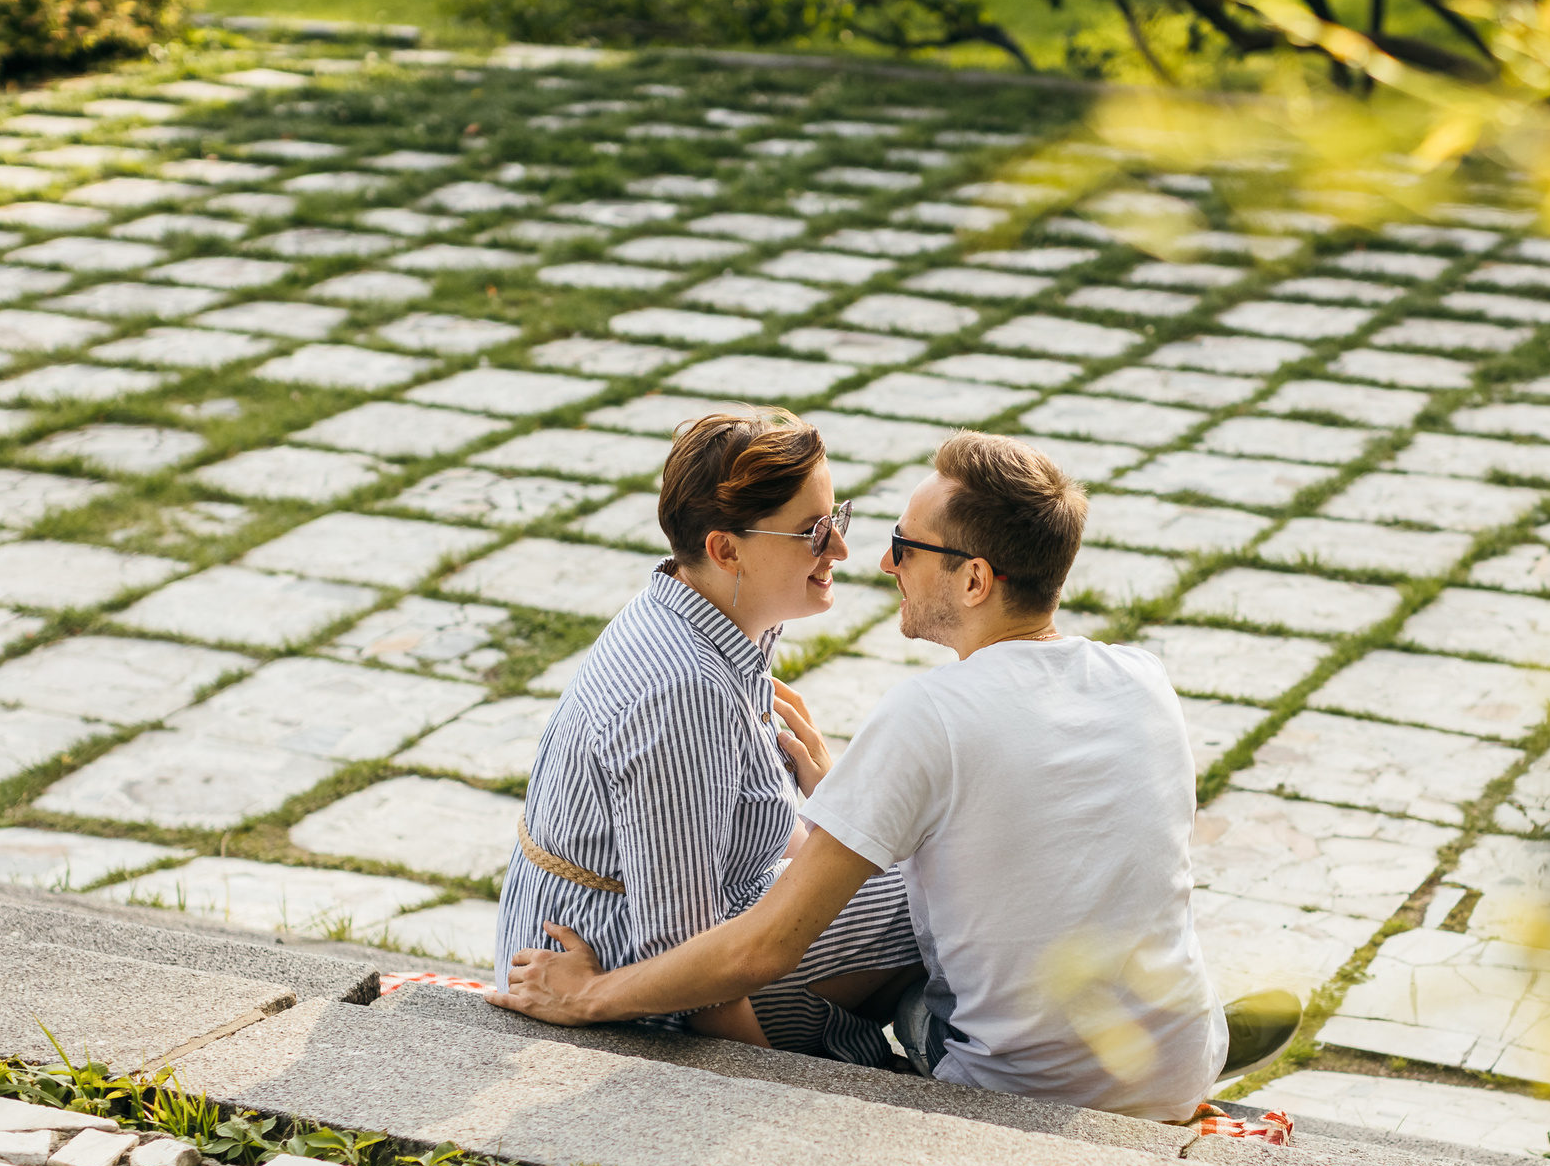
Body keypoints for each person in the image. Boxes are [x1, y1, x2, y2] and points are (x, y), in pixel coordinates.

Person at [494, 430, 1301, 1122]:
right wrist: (855, 792)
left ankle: (923, 1037)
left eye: (905, 546)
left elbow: (765, 946)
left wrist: (586, 999)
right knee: (1042, 880)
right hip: (1179, 1066)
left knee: (924, 943)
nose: (875, 559)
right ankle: (1177, 1031)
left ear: (975, 580)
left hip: (1015, 1093)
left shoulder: (927, 714)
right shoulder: (1143, 677)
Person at [494, 407, 923, 1064]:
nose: (839, 548)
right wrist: (774, 1089)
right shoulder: (682, 691)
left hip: (640, 934)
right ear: (726, 549)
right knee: (932, 890)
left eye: (837, 518)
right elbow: (680, 956)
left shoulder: (709, 608)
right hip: (621, 973)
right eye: (812, 531)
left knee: (915, 858)